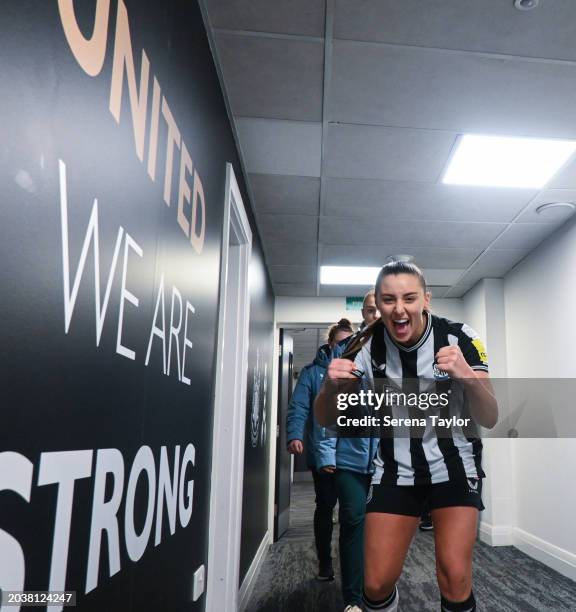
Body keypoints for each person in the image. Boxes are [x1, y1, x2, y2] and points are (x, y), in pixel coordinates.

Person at [315, 262, 498, 612]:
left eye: (409, 298)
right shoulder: (362, 346)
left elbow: (490, 415)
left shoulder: (461, 337)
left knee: (455, 575)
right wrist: (330, 386)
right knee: (376, 582)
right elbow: (327, 418)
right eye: (389, 299)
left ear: (425, 300)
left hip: (454, 466)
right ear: (378, 305)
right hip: (395, 469)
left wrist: (464, 374)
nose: (399, 309)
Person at [319, 290, 380, 612]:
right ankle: (353, 599)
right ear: (365, 314)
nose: (376, 314)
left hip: (389, 463)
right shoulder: (346, 352)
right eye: (370, 309)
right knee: (353, 518)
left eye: (380, 308)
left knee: (383, 526)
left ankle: (379, 588)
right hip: (350, 457)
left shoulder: (406, 355)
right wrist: (327, 452)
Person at [286, 318, 354, 582]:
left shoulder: (359, 372)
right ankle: (325, 562)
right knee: (325, 506)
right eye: (340, 342)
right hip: (321, 451)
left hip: (351, 454)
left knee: (352, 512)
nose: (344, 348)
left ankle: (351, 564)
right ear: (330, 342)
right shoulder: (312, 372)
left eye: (350, 343)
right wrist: (294, 434)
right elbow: (299, 407)